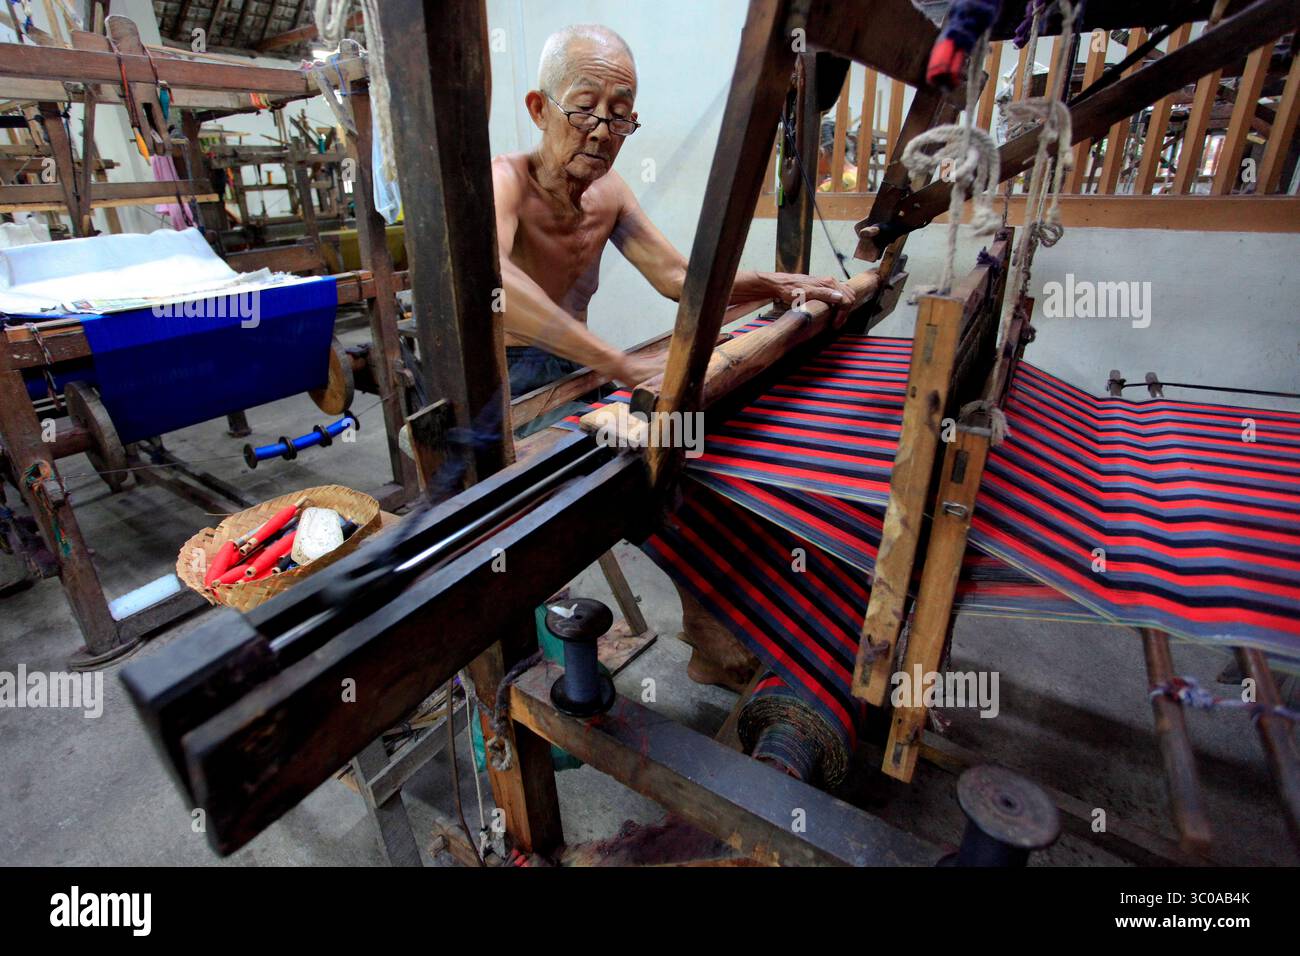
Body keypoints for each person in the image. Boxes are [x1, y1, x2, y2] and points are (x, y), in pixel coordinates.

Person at [493, 24, 858, 432]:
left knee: (681, 428)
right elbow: (497, 282)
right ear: (540, 109)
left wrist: (777, 283)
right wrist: (620, 363)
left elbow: (678, 278)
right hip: (514, 377)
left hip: (581, 366)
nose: (599, 132)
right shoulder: (506, 181)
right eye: (582, 110)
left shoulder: (609, 191)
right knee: (608, 460)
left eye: (617, 117)